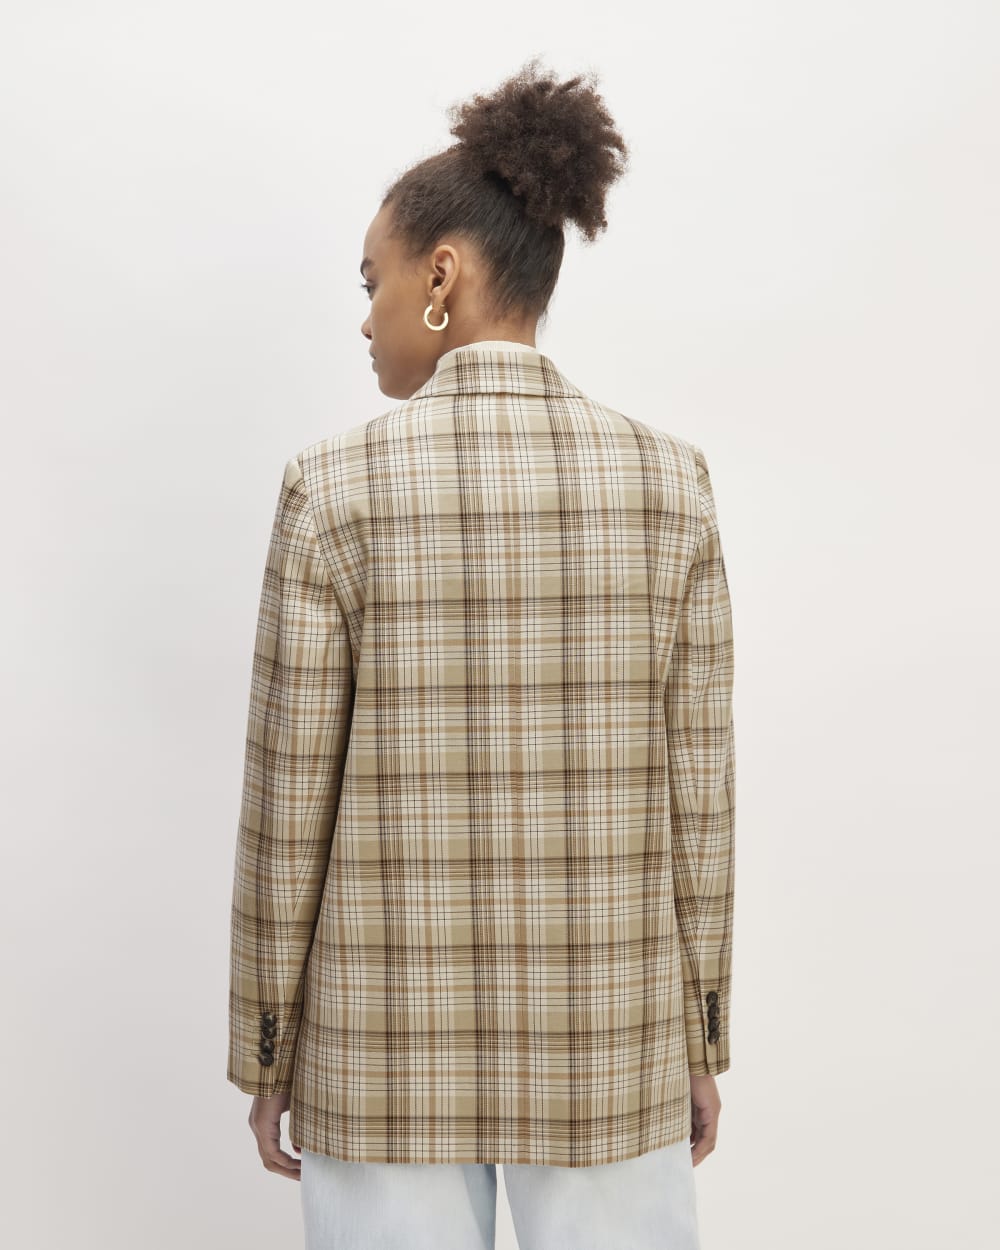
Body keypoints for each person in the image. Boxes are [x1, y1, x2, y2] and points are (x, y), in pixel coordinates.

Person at [227, 57, 735, 1250]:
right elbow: (699, 797)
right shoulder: (670, 483)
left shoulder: (331, 488)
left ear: (442, 275)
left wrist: (268, 1042)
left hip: (380, 1041)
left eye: (375, 281)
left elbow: (286, 798)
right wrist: (699, 1033)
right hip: (611, 1034)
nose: (365, 315)